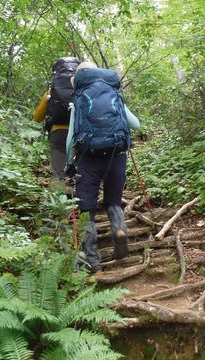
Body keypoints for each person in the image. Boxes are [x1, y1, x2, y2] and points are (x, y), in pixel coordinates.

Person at [65, 61, 140, 274]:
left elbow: (71, 137)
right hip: (116, 156)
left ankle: (93, 263)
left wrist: (70, 163)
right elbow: (136, 124)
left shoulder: (79, 99)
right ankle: (119, 230)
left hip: (88, 158)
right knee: (113, 202)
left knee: (86, 209)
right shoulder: (113, 95)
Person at [34, 57, 81, 191]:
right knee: (81, 171)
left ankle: (57, 207)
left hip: (58, 132)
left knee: (57, 173)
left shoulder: (51, 92)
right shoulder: (83, 91)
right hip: (79, 133)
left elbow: (37, 117)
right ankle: (81, 203)